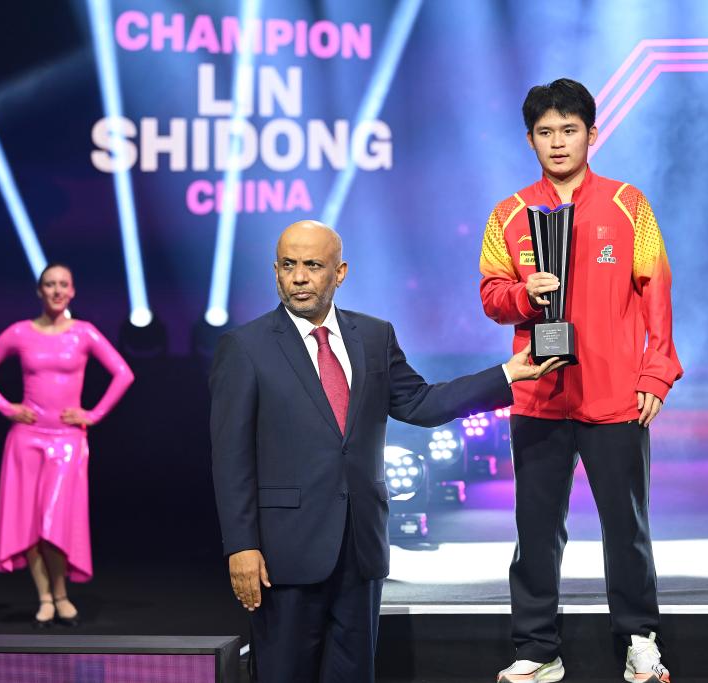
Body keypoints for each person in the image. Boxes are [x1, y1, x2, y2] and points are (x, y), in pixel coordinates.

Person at [209, 220, 565, 683]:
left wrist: (506, 375)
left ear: (339, 273)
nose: (298, 277)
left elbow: (421, 402)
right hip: (284, 554)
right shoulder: (245, 347)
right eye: (288, 265)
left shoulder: (374, 337)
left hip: (361, 550)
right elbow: (231, 459)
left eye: (312, 265)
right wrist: (241, 546)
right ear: (275, 271)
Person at [478, 78, 683, 683]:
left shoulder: (629, 205)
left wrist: (656, 373)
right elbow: (491, 297)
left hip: (614, 397)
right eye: (545, 132)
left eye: (569, 130)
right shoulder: (509, 214)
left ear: (592, 134)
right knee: (535, 531)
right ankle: (537, 648)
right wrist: (524, 293)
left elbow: (657, 293)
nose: (558, 142)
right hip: (538, 397)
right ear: (530, 140)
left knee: (626, 526)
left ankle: (639, 638)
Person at [0, 263, 134, 627]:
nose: (57, 290)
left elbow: (124, 373)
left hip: (68, 440)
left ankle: (61, 594)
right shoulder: (19, 332)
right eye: (50, 284)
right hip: (26, 438)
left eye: (63, 284)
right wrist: (6, 407)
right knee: (28, 520)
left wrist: (93, 414)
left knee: (55, 518)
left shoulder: (84, 333)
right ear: (39, 291)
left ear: (72, 291)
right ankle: (45, 597)